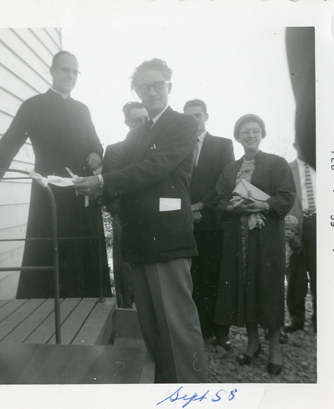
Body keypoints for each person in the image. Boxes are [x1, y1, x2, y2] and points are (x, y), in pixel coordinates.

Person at [74, 59, 208, 383]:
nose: (151, 92)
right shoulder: (136, 133)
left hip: (167, 236)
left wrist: (104, 182)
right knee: (149, 324)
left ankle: (192, 392)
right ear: (136, 92)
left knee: (177, 324)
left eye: (157, 85)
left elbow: (155, 167)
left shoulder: (183, 124)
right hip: (137, 239)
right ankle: (164, 386)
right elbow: (118, 176)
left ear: (169, 86)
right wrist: (86, 183)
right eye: (143, 87)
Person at [0, 50, 112, 299]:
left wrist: (95, 154)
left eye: (74, 71)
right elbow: (12, 139)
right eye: (65, 70)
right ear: (52, 71)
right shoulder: (34, 105)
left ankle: (89, 303)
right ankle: (44, 308)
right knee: (50, 250)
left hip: (81, 191)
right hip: (49, 191)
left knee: (84, 249)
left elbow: (96, 143)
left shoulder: (82, 109)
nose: (70, 75)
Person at [214, 114, 295, 376]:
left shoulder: (276, 163)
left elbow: (286, 196)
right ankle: (253, 342)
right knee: (243, 286)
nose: (251, 135)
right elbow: (219, 200)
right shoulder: (230, 169)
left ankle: (274, 347)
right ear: (237, 137)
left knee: (268, 286)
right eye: (245, 132)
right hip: (238, 239)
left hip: (267, 237)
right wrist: (232, 206)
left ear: (262, 134)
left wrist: (263, 205)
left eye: (256, 131)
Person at [183, 99, 234, 350]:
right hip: (184, 221)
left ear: (206, 116)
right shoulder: (179, 145)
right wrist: (186, 209)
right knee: (191, 278)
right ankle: (199, 331)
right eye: (189, 116)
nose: (194, 120)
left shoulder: (222, 145)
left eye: (198, 115)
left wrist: (201, 205)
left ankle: (220, 331)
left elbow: (225, 181)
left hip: (211, 219)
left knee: (215, 277)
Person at [102, 102, 148, 308]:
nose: (140, 124)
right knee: (124, 263)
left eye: (144, 119)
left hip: (151, 213)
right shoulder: (114, 150)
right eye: (135, 120)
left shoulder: (157, 147)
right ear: (127, 122)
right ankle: (126, 307)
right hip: (124, 215)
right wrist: (118, 212)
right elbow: (110, 185)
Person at [284, 142, 316, 333]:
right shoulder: (287, 169)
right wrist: (289, 229)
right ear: (296, 145)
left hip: (322, 223)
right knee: (295, 274)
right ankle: (296, 319)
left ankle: (321, 320)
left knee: (321, 273)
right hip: (296, 224)